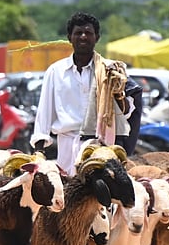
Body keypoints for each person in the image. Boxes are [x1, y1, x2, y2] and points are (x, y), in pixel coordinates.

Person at [31, 12, 133, 175]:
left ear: (97, 37)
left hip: (100, 148)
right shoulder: (56, 71)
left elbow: (127, 111)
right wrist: (39, 151)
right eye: (78, 33)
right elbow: (44, 113)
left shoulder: (110, 69)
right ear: (70, 37)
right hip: (66, 147)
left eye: (88, 33)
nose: (83, 37)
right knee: (66, 196)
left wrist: (117, 91)